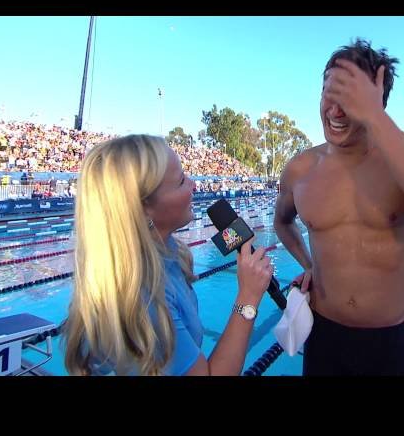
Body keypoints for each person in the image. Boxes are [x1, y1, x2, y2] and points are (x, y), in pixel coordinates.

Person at [273, 39, 404, 376]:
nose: (334, 111)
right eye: (329, 94)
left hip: (386, 341)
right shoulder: (301, 168)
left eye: (349, 100)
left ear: (377, 101)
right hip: (323, 334)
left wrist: (375, 116)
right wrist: (310, 265)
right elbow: (282, 222)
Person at [63, 134, 274, 375]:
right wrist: (248, 298)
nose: (194, 184)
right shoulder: (142, 296)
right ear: (143, 207)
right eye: (181, 181)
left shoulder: (167, 255)